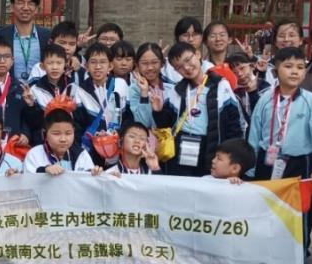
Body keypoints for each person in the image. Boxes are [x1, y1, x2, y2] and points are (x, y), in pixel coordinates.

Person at [246, 48, 312, 244]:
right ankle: (266, 252)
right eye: (288, 66)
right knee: (266, 210)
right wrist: (250, 169)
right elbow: (254, 135)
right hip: (267, 162)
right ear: (276, 70)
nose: (295, 71)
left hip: (300, 164)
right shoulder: (265, 99)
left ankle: (299, 254)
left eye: (300, 67)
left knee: (299, 213)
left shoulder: (311, 101)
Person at [161, 41, 243, 177]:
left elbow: (233, 123)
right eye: (179, 67)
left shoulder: (220, 85)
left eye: (188, 60)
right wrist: (158, 110)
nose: (186, 67)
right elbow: (165, 123)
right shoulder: (177, 91)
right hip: (183, 146)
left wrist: (233, 156)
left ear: (198, 54)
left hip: (210, 146)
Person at [73, 42, 129, 160]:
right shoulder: (80, 91)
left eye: (103, 62)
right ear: (86, 66)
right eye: (93, 62)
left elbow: (128, 116)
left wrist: (119, 133)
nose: (98, 67)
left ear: (110, 66)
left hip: (118, 146)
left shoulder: (121, 84)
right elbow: (78, 124)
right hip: (91, 149)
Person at [0, 0, 50, 78]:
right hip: (10, 87)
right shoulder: (0, 35)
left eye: (30, 3)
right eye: (20, 3)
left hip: (39, 87)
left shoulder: (47, 36)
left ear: (36, 9)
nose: (26, 8)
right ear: (12, 7)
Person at [83, 121, 161, 175]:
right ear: (120, 142)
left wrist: (155, 168)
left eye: (142, 138)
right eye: (132, 136)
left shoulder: (150, 172)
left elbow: (161, 192)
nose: (137, 141)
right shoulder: (110, 171)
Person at [124, 43, 171, 129]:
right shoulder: (133, 89)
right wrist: (144, 94)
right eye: (144, 63)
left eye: (154, 62)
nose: (150, 67)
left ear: (162, 63)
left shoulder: (171, 89)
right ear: (137, 65)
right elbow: (143, 123)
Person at [23, 108, 81, 174]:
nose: (63, 139)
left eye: (68, 133)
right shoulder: (34, 154)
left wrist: (91, 173)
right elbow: (29, 178)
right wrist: (44, 170)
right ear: (44, 134)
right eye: (56, 134)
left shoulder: (81, 154)